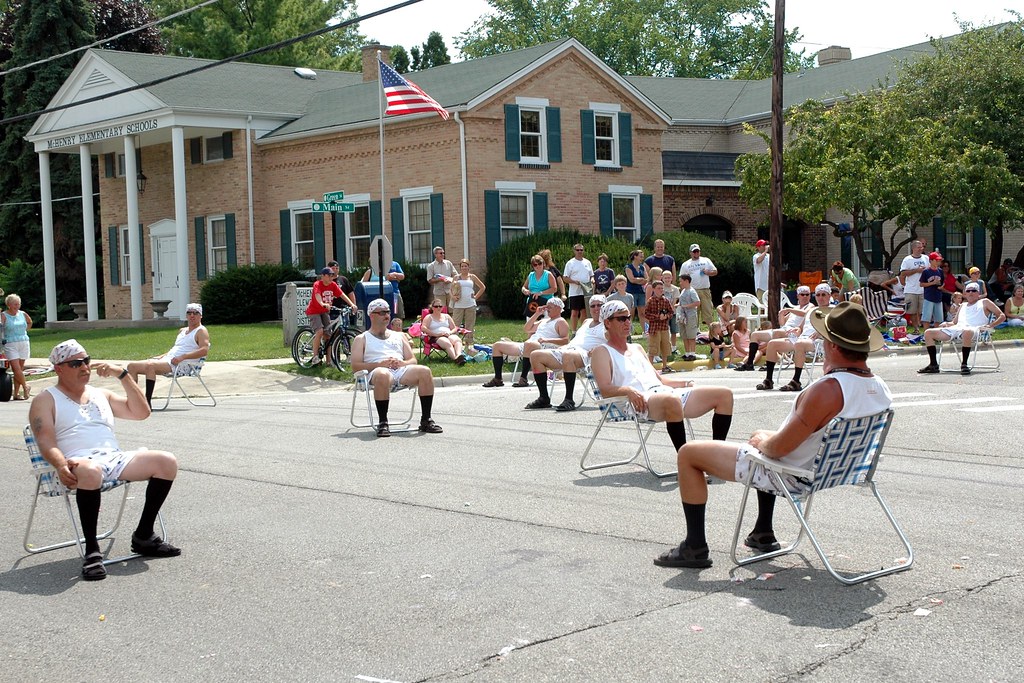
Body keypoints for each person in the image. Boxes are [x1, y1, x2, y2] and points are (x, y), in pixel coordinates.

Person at [653, 302, 891, 568]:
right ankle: (763, 531)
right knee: (761, 434)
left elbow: (777, 450)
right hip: (837, 470)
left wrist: (762, 443)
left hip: (794, 475)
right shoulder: (878, 387)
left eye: (824, 339)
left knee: (689, 454)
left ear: (833, 346)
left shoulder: (828, 390)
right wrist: (763, 440)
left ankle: (694, 546)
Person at [29, 339, 182, 581]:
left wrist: (122, 375)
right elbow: (46, 441)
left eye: (87, 361)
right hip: (78, 463)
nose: (84, 367)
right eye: (75, 363)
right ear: (58, 368)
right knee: (90, 470)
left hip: (114, 459)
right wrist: (60, 464)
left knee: (166, 461)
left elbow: (142, 413)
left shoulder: (101, 394)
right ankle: (92, 551)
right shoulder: (46, 400)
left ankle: (144, 535)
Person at [590, 299, 734, 474]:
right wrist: (628, 390)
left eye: (628, 317)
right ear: (607, 322)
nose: (627, 322)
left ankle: (715, 458)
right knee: (672, 400)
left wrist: (685, 383)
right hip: (636, 402)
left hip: (663, 393)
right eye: (621, 319)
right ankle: (687, 465)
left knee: (724, 395)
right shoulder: (601, 352)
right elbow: (605, 389)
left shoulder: (636, 348)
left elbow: (659, 379)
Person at [350, 299, 444, 437]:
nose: (386, 315)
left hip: (400, 370)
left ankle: (426, 420)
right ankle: (383, 422)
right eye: (382, 312)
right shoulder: (362, 338)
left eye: (388, 312)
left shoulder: (398, 336)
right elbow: (355, 366)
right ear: (372, 315)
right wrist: (379, 365)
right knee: (382, 374)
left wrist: (402, 363)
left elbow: (412, 359)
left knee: (425, 371)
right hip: (375, 372)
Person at [525, 294, 606, 411]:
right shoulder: (586, 322)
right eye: (593, 306)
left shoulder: (608, 324)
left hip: (587, 356)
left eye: (600, 305)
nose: (596, 308)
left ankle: (569, 399)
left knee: (568, 356)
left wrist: (599, 349)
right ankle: (544, 398)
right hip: (569, 349)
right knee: (535, 355)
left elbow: (613, 342)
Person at [126, 302, 212, 407]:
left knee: (150, 366)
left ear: (201, 315)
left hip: (183, 364)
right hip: (169, 360)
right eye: (189, 313)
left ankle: (146, 403)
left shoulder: (201, 331)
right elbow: (176, 349)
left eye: (195, 313)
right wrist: (161, 356)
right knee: (131, 366)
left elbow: (204, 350)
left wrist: (182, 357)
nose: (192, 315)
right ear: (186, 315)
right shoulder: (182, 330)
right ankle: (133, 401)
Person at [755, 284, 832, 392]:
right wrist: (797, 330)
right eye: (818, 295)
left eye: (823, 295)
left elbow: (835, 329)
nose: (820, 297)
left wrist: (821, 332)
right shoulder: (811, 310)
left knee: (799, 344)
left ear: (829, 296)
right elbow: (801, 327)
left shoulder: (833, 310)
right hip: (802, 339)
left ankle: (796, 381)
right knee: (772, 344)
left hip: (819, 342)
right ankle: (768, 380)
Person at [918, 282, 1005, 375]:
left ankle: (964, 364)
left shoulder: (984, 302)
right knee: (928, 332)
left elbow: (1002, 315)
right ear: (965, 293)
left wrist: (990, 325)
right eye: (968, 291)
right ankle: (933, 365)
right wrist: (947, 324)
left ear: (978, 293)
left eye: (974, 291)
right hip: (957, 329)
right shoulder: (963, 305)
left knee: (967, 331)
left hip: (975, 330)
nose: (971, 293)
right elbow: (954, 322)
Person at [483, 298, 570, 388]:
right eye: (546, 307)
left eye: (550, 307)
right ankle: (498, 379)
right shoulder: (543, 321)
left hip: (546, 347)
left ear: (558, 308)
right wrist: (537, 314)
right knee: (497, 345)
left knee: (530, 344)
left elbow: (565, 340)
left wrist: (547, 340)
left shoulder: (561, 322)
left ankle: (523, 378)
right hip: (530, 344)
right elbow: (527, 329)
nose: (547, 309)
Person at [734, 285, 813, 371]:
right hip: (785, 331)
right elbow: (783, 324)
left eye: (807, 294)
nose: (805, 296)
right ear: (798, 296)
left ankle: (769, 363)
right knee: (755, 335)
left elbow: (805, 313)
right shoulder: (795, 308)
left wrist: (789, 310)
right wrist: (781, 314)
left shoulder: (810, 306)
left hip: (795, 334)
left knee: (776, 335)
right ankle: (749, 363)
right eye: (802, 294)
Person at [303, 268, 356, 367]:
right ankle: (315, 357)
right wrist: (322, 303)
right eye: (329, 275)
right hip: (314, 311)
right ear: (323, 276)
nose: (331, 277)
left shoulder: (333, 285)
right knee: (319, 331)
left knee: (328, 335)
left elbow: (342, 295)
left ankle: (328, 361)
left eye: (332, 275)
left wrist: (352, 304)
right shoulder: (317, 284)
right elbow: (318, 295)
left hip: (325, 311)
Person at [2, 293, 33, 400]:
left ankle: (16, 393)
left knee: (20, 369)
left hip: (23, 342)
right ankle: (25, 386)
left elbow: (29, 322)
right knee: (16, 369)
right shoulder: (3, 315)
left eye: (18, 304)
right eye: (15, 304)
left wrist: (24, 331)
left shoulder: (23, 314)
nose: (17, 306)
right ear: (9, 305)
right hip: (10, 343)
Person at [362, 259, 405, 331]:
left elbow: (401, 276)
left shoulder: (394, 265)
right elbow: (363, 286)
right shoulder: (370, 272)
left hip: (394, 295)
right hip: (375, 298)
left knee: (396, 314)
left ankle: (397, 333)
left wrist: (394, 275)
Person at [420, 298, 466, 365]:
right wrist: (436, 334)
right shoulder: (429, 317)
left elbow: (454, 328)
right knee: (447, 343)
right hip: (436, 337)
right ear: (432, 308)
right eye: (436, 306)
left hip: (448, 334)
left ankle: (459, 355)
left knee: (457, 340)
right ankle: (455, 359)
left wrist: (449, 333)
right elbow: (423, 328)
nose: (438, 308)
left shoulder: (446, 316)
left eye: (440, 306)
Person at [681, 244, 717, 328]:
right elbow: (682, 279)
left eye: (697, 251)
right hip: (692, 291)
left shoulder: (706, 260)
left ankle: (711, 333)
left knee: (708, 312)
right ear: (690, 253)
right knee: (693, 312)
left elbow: (715, 271)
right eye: (694, 251)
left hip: (705, 290)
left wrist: (708, 272)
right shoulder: (685, 264)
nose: (696, 253)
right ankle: (695, 333)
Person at [451, 259, 486, 345]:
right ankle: (455, 342)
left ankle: (469, 343)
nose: (464, 268)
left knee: (469, 324)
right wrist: (453, 297)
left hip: (470, 304)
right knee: (455, 324)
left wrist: (475, 297)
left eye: (465, 266)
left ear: (468, 267)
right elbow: (450, 290)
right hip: (458, 305)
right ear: (460, 268)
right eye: (462, 266)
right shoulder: (456, 277)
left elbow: (482, 287)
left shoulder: (472, 277)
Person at [900, 240, 930, 333]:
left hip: (924, 289)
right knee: (912, 311)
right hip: (911, 289)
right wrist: (916, 270)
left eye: (922, 247)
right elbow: (903, 273)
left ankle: (925, 329)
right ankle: (916, 329)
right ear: (913, 248)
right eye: (919, 247)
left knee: (924, 311)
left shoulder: (926, 258)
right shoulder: (907, 259)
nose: (921, 248)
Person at [563, 243, 595, 333]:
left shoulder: (587, 262)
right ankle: (573, 332)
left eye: (581, 250)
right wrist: (574, 282)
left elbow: (591, 275)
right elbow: (565, 278)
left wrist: (592, 280)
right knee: (574, 313)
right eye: (578, 250)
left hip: (586, 291)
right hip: (574, 292)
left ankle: (583, 331)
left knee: (584, 312)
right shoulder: (570, 263)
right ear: (574, 251)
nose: (580, 252)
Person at [644, 280, 675, 373]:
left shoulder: (666, 300)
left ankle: (665, 366)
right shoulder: (650, 301)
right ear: (653, 289)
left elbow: (671, 312)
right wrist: (658, 317)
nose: (661, 290)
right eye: (658, 288)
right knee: (653, 348)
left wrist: (666, 316)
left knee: (665, 347)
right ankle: (650, 367)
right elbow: (646, 314)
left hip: (664, 328)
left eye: (662, 288)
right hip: (654, 329)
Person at [920, 252, 945, 330]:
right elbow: (921, 284)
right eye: (936, 260)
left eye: (939, 260)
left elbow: (943, 282)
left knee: (938, 318)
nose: (938, 262)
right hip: (929, 297)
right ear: (931, 261)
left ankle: (936, 334)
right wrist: (932, 283)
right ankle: (926, 334)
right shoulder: (926, 271)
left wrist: (941, 286)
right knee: (926, 318)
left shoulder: (940, 271)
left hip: (938, 297)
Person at [624, 249, 648, 331]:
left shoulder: (642, 267)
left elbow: (646, 279)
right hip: (631, 292)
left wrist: (639, 280)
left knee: (642, 313)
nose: (642, 258)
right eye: (640, 256)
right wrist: (641, 280)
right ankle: (629, 330)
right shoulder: (628, 267)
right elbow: (631, 280)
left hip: (641, 292)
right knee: (632, 312)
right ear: (635, 256)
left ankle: (645, 331)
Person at [677, 273, 700, 354]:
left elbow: (697, 303)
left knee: (691, 335)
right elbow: (681, 303)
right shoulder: (683, 291)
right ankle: (687, 353)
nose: (680, 283)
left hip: (690, 316)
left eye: (681, 281)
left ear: (686, 281)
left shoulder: (692, 291)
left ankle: (692, 353)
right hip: (682, 316)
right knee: (684, 335)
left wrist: (686, 306)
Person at [661, 270, 681, 353]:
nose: (667, 279)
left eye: (669, 277)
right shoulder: (660, 288)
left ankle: (673, 347)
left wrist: (670, 310)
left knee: (673, 331)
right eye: (665, 278)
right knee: (664, 331)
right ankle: (664, 347)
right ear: (662, 278)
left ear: (672, 278)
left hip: (673, 313)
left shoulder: (675, 289)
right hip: (663, 313)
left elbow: (675, 301)